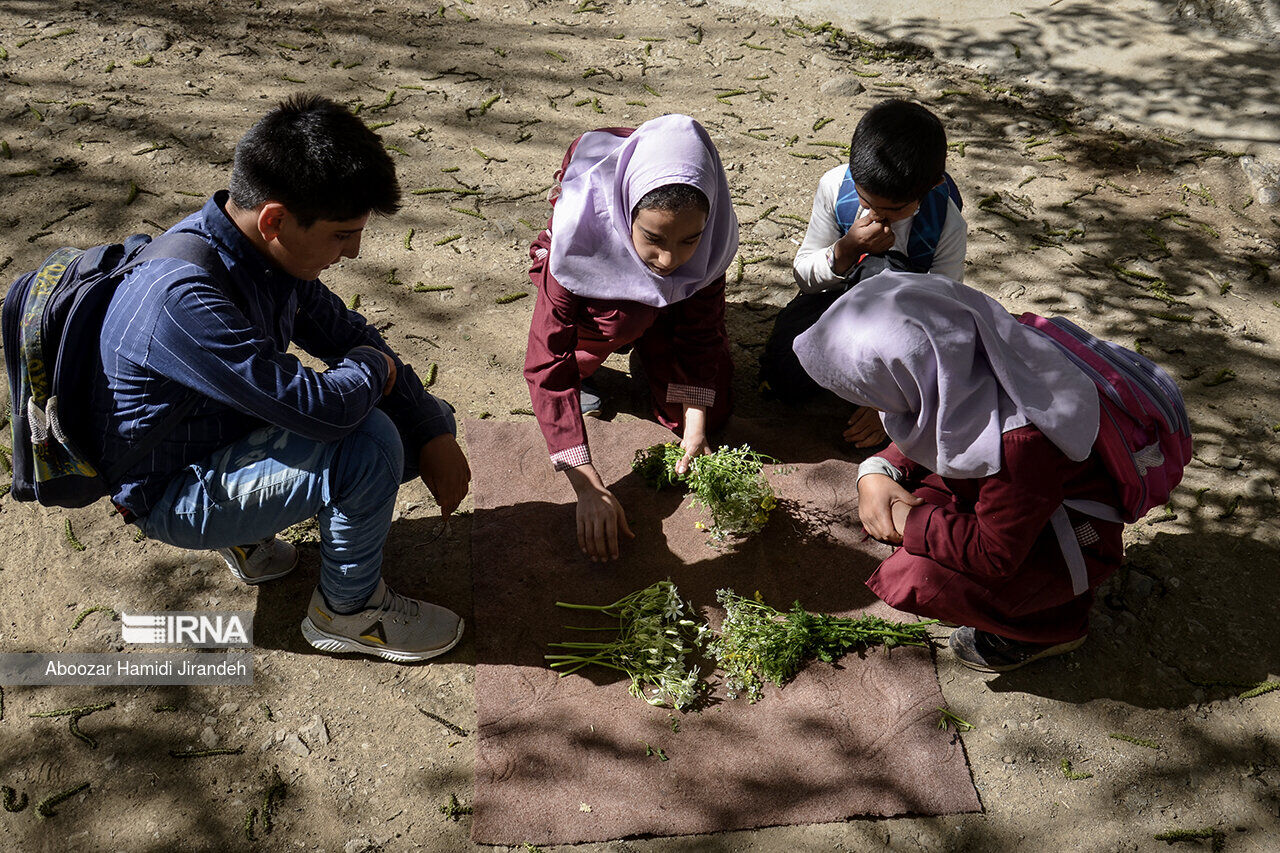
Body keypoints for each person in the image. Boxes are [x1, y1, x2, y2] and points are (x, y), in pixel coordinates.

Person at [88, 95, 471, 662]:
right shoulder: (182, 298)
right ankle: (348, 614)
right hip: (169, 490)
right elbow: (324, 407)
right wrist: (376, 369)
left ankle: (247, 533)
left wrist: (431, 428)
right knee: (368, 444)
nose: (354, 251)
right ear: (274, 219)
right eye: (343, 234)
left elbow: (348, 333)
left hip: (215, 438)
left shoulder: (261, 252)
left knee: (419, 420)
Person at [794, 272, 1124, 672]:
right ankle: (1018, 600)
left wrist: (910, 521)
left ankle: (1051, 624)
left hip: (1072, 541)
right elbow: (935, 427)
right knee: (904, 497)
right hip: (1025, 509)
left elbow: (995, 555)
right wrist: (877, 469)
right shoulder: (966, 362)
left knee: (915, 574)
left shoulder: (1020, 445)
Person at [523, 114, 739, 562]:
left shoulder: (711, 243)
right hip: (604, 307)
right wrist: (587, 483)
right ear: (625, 213)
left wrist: (696, 419)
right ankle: (600, 355)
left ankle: (652, 341)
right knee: (618, 322)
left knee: (702, 424)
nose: (668, 259)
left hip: (663, 312)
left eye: (688, 241)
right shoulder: (579, 241)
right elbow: (546, 363)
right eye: (653, 238)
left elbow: (703, 332)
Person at [761, 99, 967, 449]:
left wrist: (886, 402)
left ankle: (886, 390)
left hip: (904, 327)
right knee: (784, 374)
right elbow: (804, 276)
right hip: (836, 303)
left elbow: (943, 315)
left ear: (931, 186)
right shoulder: (835, 188)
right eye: (866, 201)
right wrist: (846, 249)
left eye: (893, 209)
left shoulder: (945, 222)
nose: (875, 214)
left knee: (885, 270)